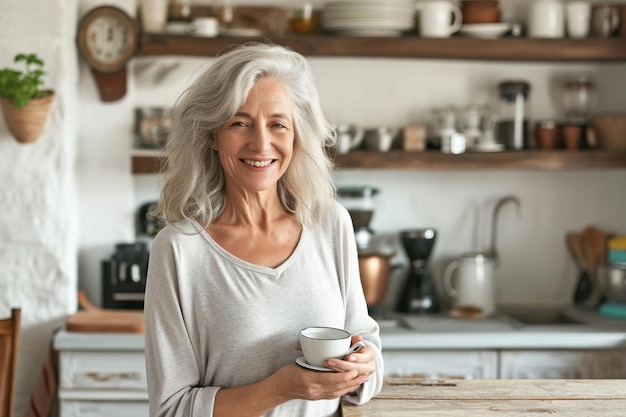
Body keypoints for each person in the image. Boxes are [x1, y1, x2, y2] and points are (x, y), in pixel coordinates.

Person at [144, 42, 383, 417]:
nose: (261, 143)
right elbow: (171, 409)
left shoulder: (330, 224)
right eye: (239, 123)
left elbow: (364, 345)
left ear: (295, 135)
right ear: (211, 135)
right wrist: (279, 388)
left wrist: (364, 368)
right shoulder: (178, 250)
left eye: (277, 124)